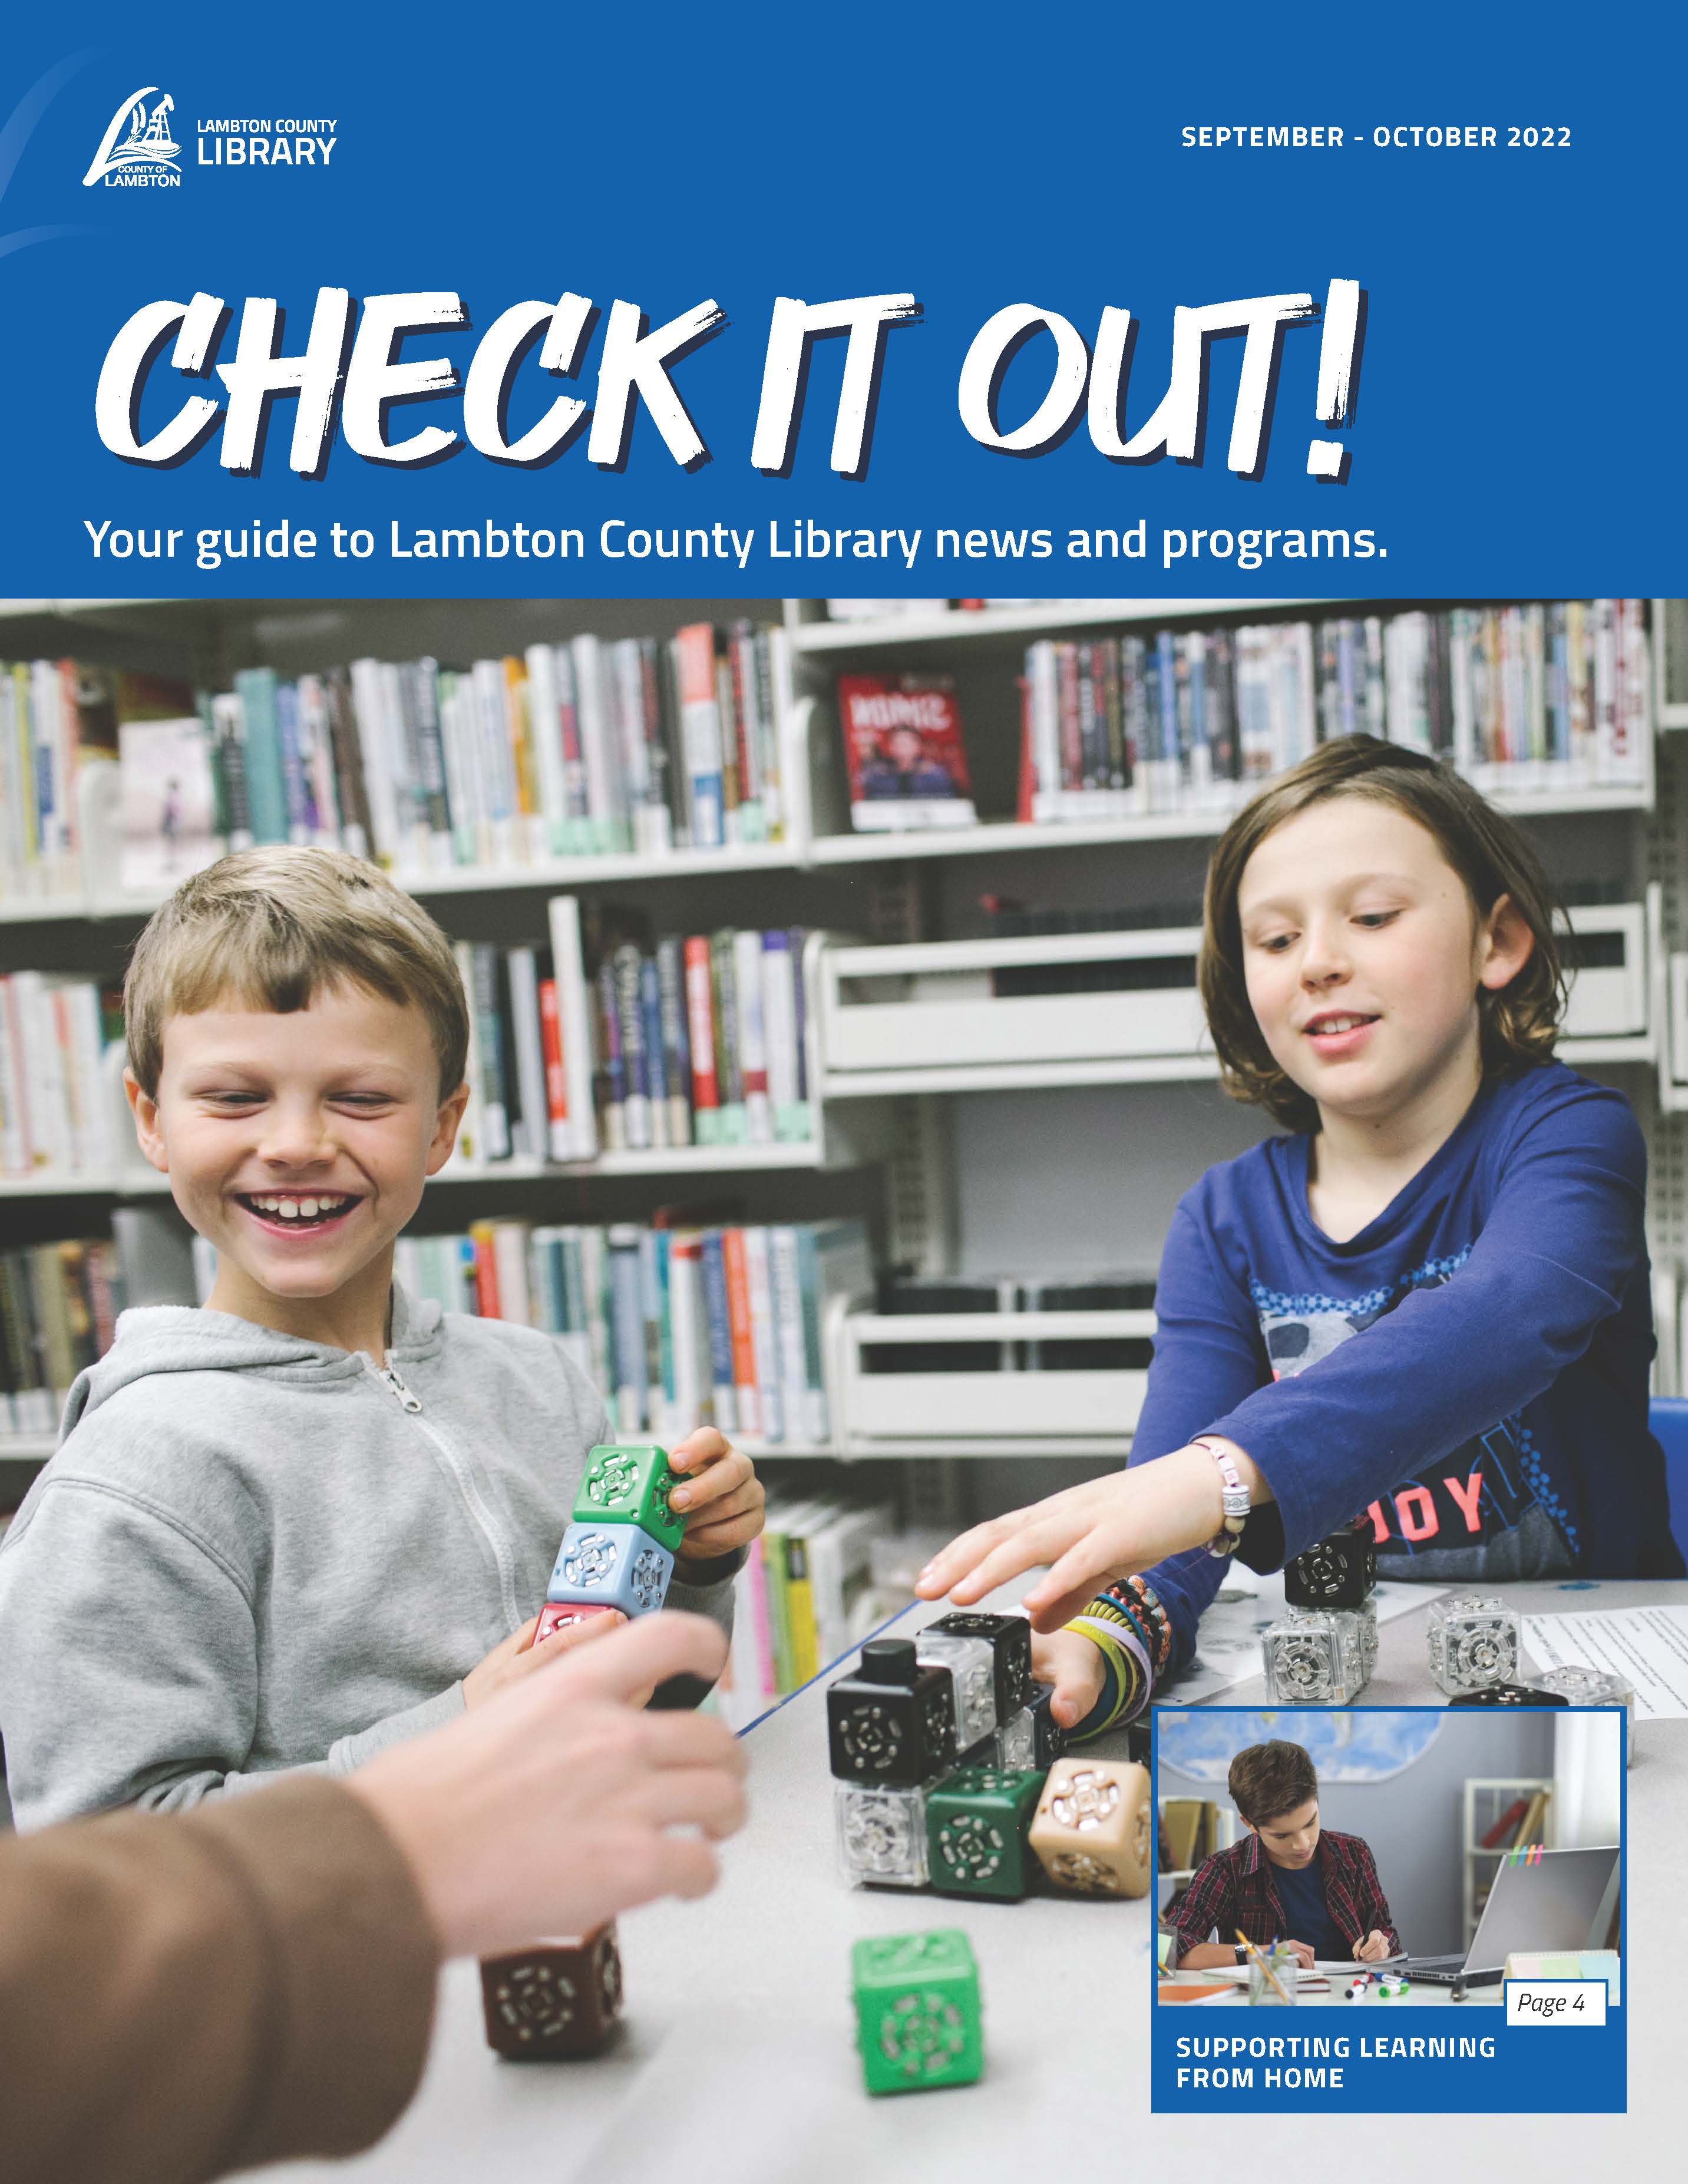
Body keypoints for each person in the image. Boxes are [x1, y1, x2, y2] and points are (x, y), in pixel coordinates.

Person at [921, 735, 1682, 1734]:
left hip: (1606, 1686)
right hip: (1351, 1709)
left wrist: (1224, 1473)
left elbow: (1513, 1308)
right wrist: (1104, 1642)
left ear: (1496, 942)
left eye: (1372, 916)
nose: (1320, 960)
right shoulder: (1223, 1216)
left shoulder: (1568, 1133)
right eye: (1274, 942)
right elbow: (1170, 1511)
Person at [0, 847, 767, 1828]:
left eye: (361, 1098)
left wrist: (694, 1569)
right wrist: (465, 1731)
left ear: (443, 1126)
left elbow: (630, 1708)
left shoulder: (536, 1380)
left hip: (584, 1922)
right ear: (151, 1117)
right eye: (235, 1097)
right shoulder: (134, 1479)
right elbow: (111, 1872)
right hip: (360, 1975)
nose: (295, 1142)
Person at [2, 1609, 747, 2184]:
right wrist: (389, 1835)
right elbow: (103, 1842)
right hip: (348, 2059)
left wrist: (697, 1569)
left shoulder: (536, 1405)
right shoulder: (116, 1494)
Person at [1167, 1739, 1399, 1971]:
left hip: (1351, 1997)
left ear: (1317, 1801)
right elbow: (1168, 1948)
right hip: (1266, 2000)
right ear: (1249, 1823)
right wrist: (1260, 1953)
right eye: (1282, 1836)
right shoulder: (1225, 1869)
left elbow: (1386, 1932)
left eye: (1310, 1823)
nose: (1303, 1844)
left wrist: (1382, 1945)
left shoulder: (1354, 1853)